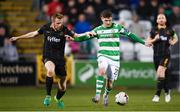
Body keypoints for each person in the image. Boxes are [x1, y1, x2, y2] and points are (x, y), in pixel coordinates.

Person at [72, 10, 151, 107]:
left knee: (110, 83)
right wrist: (73, 38)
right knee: (101, 71)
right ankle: (97, 96)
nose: (108, 22)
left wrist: (144, 42)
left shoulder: (118, 27)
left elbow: (130, 35)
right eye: (106, 20)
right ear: (102, 19)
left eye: (109, 20)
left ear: (111, 19)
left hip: (115, 59)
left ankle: (106, 95)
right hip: (103, 55)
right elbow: (83, 38)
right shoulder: (97, 30)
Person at [9, 13, 85, 108]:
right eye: (58, 23)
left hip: (60, 59)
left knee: (63, 85)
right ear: (53, 21)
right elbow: (33, 34)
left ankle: (57, 98)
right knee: (50, 71)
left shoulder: (65, 29)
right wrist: (18, 37)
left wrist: (86, 35)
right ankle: (48, 96)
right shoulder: (46, 27)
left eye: (61, 23)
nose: (60, 25)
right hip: (48, 56)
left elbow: (76, 36)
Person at [147, 13, 178, 103]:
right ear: (157, 20)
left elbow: (176, 38)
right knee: (161, 74)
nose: (161, 19)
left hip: (166, 55)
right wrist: (154, 39)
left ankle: (157, 95)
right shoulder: (153, 31)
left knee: (161, 71)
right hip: (156, 55)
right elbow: (148, 42)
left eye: (162, 18)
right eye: (159, 18)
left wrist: (173, 42)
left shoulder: (169, 30)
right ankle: (167, 91)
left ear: (165, 20)